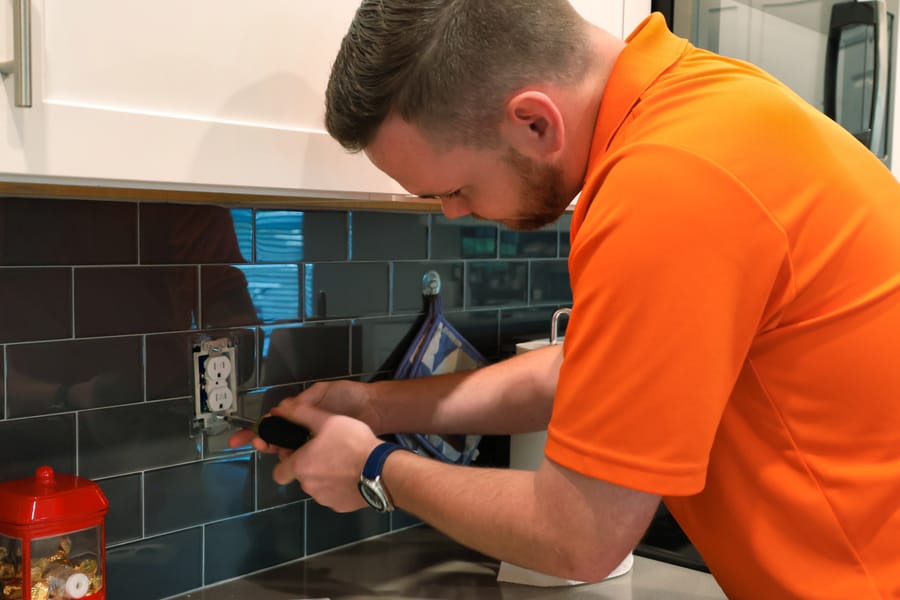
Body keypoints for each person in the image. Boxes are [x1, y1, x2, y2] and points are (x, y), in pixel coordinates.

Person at [230, 1, 900, 597]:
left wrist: (375, 468)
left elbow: (579, 536)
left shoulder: (667, 184)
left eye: (454, 188)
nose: (454, 215)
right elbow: (583, 372)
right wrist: (373, 405)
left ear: (533, 122)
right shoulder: (698, 106)